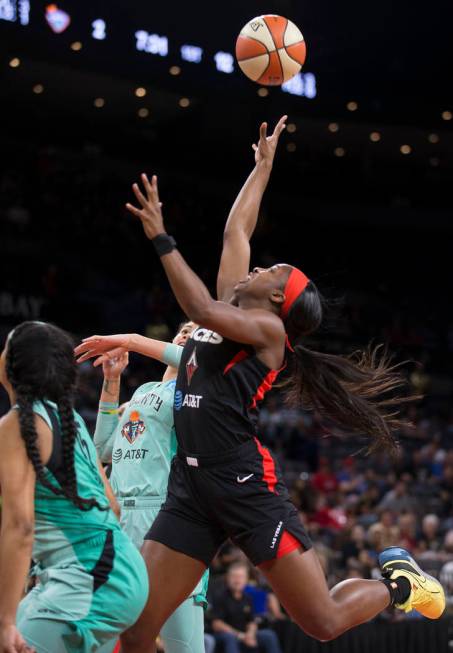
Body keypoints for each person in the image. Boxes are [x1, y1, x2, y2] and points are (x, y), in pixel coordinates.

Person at [83, 118, 445, 653]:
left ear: (280, 299)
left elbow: (197, 305)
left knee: (320, 621)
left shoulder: (268, 332)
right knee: (136, 634)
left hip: (242, 483)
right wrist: (263, 168)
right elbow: (236, 233)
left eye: (274, 270)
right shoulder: (234, 307)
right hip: (192, 487)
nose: (260, 267)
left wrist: (161, 237)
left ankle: (398, 585)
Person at [0, 321, 148, 653]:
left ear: (12, 364)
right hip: (117, 570)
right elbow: (112, 505)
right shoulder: (71, 420)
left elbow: (20, 525)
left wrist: (5, 620)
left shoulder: (17, 423)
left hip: (91, 574)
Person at [76, 322, 209, 653]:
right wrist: (112, 381)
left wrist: (133, 341)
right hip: (121, 519)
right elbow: (103, 449)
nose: (188, 332)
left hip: (165, 514)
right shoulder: (143, 391)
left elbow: (194, 359)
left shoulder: (198, 389)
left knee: (183, 644)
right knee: (116, 638)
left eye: (198, 332)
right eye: (185, 328)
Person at [211, 563, 281, 653]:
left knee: (269, 635)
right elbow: (216, 624)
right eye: (234, 576)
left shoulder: (248, 598)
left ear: (246, 579)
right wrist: (240, 636)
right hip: (227, 635)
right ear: (227, 578)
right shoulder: (220, 597)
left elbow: (252, 621)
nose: (237, 580)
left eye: (240, 577)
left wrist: (250, 634)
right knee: (229, 638)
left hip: (245, 634)